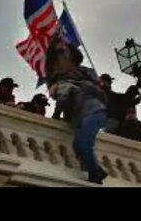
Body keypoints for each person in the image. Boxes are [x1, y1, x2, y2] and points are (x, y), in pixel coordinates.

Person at [46, 32, 108, 184]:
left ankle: (96, 173)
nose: (63, 54)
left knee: (82, 143)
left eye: (64, 50)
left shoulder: (85, 75)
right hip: (85, 115)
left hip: (94, 111)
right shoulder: (61, 82)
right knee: (78, 145)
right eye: (59, 52)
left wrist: (55, 116)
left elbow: (63, 100)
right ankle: (97, 172)